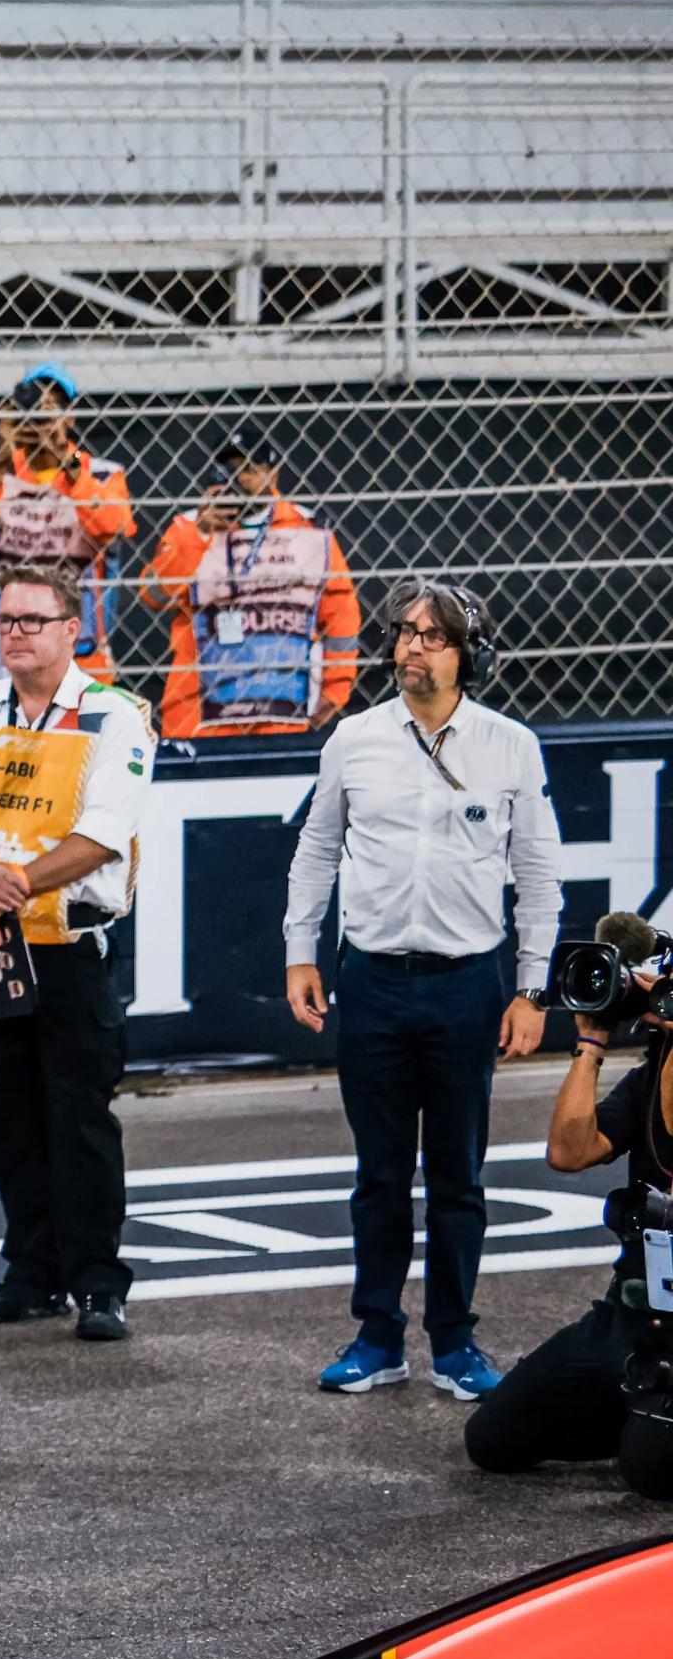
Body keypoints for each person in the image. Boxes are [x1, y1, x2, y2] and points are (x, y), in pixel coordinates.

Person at [283, 580, 562, 1403]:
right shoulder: (355, 739)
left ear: (468, 652)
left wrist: (532, 988)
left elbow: (539, 876)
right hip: (369, 979)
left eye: (433, 636)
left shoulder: (511, 745)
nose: (412, 647)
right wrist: (302, 952)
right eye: (403, 632)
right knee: (377, 1175)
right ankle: (376, 1335)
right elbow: (317, 850)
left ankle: (455, 1340)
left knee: (457, 1177)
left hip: (468, 985)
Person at [0, 563, 156, 1345]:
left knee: (79, 1116)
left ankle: (97, 1282)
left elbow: (103, 833)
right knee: (5, 1112)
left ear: (70, 630)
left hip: (66, 947)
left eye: (32, 620)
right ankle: (31, 1272)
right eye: (6, 621)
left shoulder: (115, 714)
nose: (14, 633)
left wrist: (7, 882)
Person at [463, 983, 673, 1495]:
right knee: (492, 1440)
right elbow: (568, 1152)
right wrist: (592, 1043)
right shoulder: (650, 1077)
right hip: (631, 1322)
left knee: (649, 1475)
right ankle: (639, 1417)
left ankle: (647, 1431)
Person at [143, 430, 360, 741]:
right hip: (200, 715)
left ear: (272, 472)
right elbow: (154, 595)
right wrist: (200, 536)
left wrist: (337, 688)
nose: (238, 478)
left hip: (283, 710)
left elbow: (341, 616)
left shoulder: (310, 529)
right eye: (228, 469)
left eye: (248, 468)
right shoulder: (189, 525)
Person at [0, 363, 134, 653]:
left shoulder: (102, 474)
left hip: (80, 643)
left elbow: (113, 527)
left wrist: (67, 465)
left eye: (50, 409)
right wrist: (3, 462)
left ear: (69, 419)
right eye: (32, 411)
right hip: (7, 641)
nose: (40, 419)